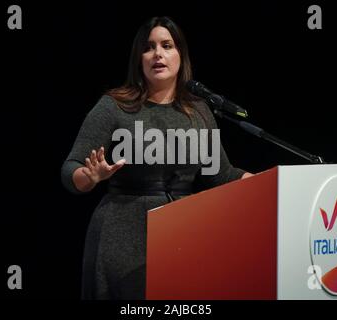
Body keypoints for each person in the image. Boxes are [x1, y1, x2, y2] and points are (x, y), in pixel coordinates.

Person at [61, 16, 254, 300]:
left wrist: (271, 182)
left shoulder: (199, 111)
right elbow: (71, 168)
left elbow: (220, 174)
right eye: (149, 47)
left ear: (181, 55)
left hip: (184, 233)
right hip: (123, 236)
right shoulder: (114, 106)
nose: (158, 54)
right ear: (138, 58)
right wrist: (88, 178)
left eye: (167, 45)